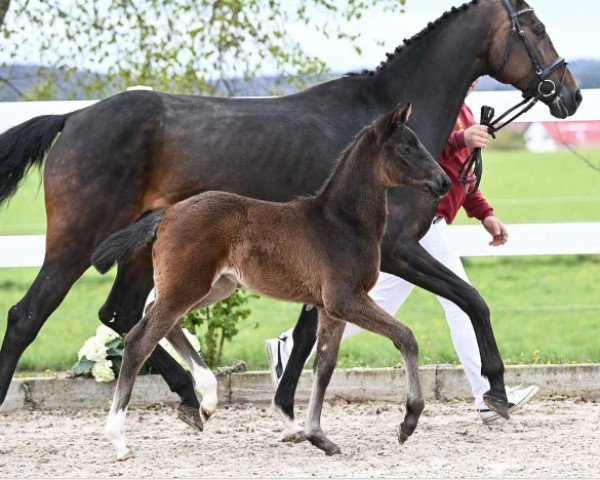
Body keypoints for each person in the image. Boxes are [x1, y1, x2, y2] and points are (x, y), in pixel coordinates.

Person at [266, 79, 538, 423]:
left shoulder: (464, 110)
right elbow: (416, 157)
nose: (474, 80)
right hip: (421, 222)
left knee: (374, 306)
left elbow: (459, 174)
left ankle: (289, 347)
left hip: (432, 222)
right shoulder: (436, 109)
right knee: (460, 300)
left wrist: (484, 213)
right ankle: (485, 393)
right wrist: (460, 139)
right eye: (470, 73)